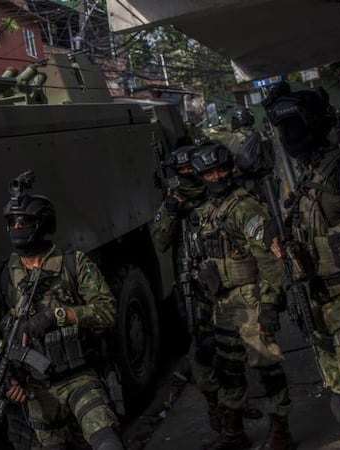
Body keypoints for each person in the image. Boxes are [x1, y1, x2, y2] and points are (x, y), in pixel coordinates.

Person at [0, 171, 124, 450]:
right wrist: (8, 383)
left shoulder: (73, 263)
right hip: (35, 391)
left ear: (41, 224)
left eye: (24, 221)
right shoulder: (4, 278)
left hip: (80, 377)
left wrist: (59, 316)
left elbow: (107, 311)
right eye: (12, 222)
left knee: (107, 442)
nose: (17, 227)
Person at [264, 84, 340, 450]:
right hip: (324, 314)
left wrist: (328, 249)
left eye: (295, 125)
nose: (291, 136)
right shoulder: (304, 184)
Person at [190, 142, 293, 450]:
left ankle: (281, 432)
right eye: (210, 173)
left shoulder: (244, 206)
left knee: (267, 367)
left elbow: (270, 259)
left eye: (221, 170)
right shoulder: (207, 210)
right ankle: (234, 433)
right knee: (229, 369)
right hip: (222, 302)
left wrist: (269, 303)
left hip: (249, 297)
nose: (217, 176)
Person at [151, 145, 222, 433]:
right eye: (180, 172)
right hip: (192, 286)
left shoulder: (214, 193)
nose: (186, 176)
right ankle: (219, 411)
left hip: (225, 282)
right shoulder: (173, 203)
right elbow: (160, 241)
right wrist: (170, 210)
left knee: (234, 350)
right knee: (203, 350)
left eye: (190, 170)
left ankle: (234, 406)